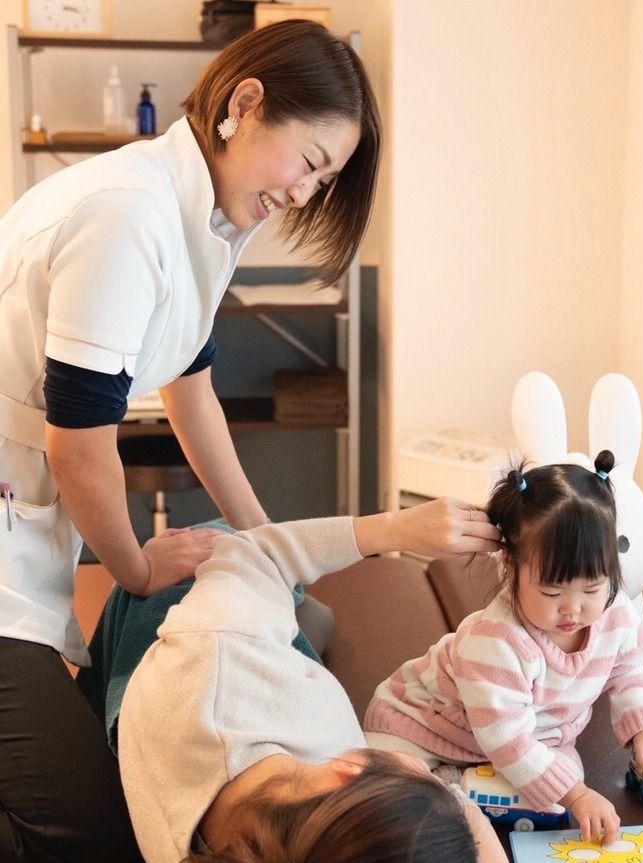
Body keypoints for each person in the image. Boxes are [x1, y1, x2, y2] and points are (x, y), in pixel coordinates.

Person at [0, 19, 380, 862]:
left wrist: (264, 541)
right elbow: (79, 445)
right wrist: (134, 565)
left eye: (326, 179)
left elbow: (189, 385)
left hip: (26, 511)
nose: (308, 194)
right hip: (19, 494)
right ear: (246, 104)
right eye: (312, 163)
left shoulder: (203, 215)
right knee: (83, 828)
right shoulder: (128, 212)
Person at [112, 498, 507, 863]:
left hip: (185, 635)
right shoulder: (303, 837)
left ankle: (296, 604)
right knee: (311, 614)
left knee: (221, 534)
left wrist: (397, 529)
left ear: (347, 772)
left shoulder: (221, 648)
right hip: (217, 682)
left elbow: (257, 550)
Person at [364, 453, 643, 845]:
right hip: (421, 723)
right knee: (389, 786)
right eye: (551, 591)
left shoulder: (615, 612)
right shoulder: (496, 640)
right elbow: (507, 738)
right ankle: (446, 785)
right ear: (510, 565)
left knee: (558, 798)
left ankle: (464, 787)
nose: (573, 608)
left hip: (527, 737)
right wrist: (576, 794)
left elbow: (628, 671)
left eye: (592, 588)